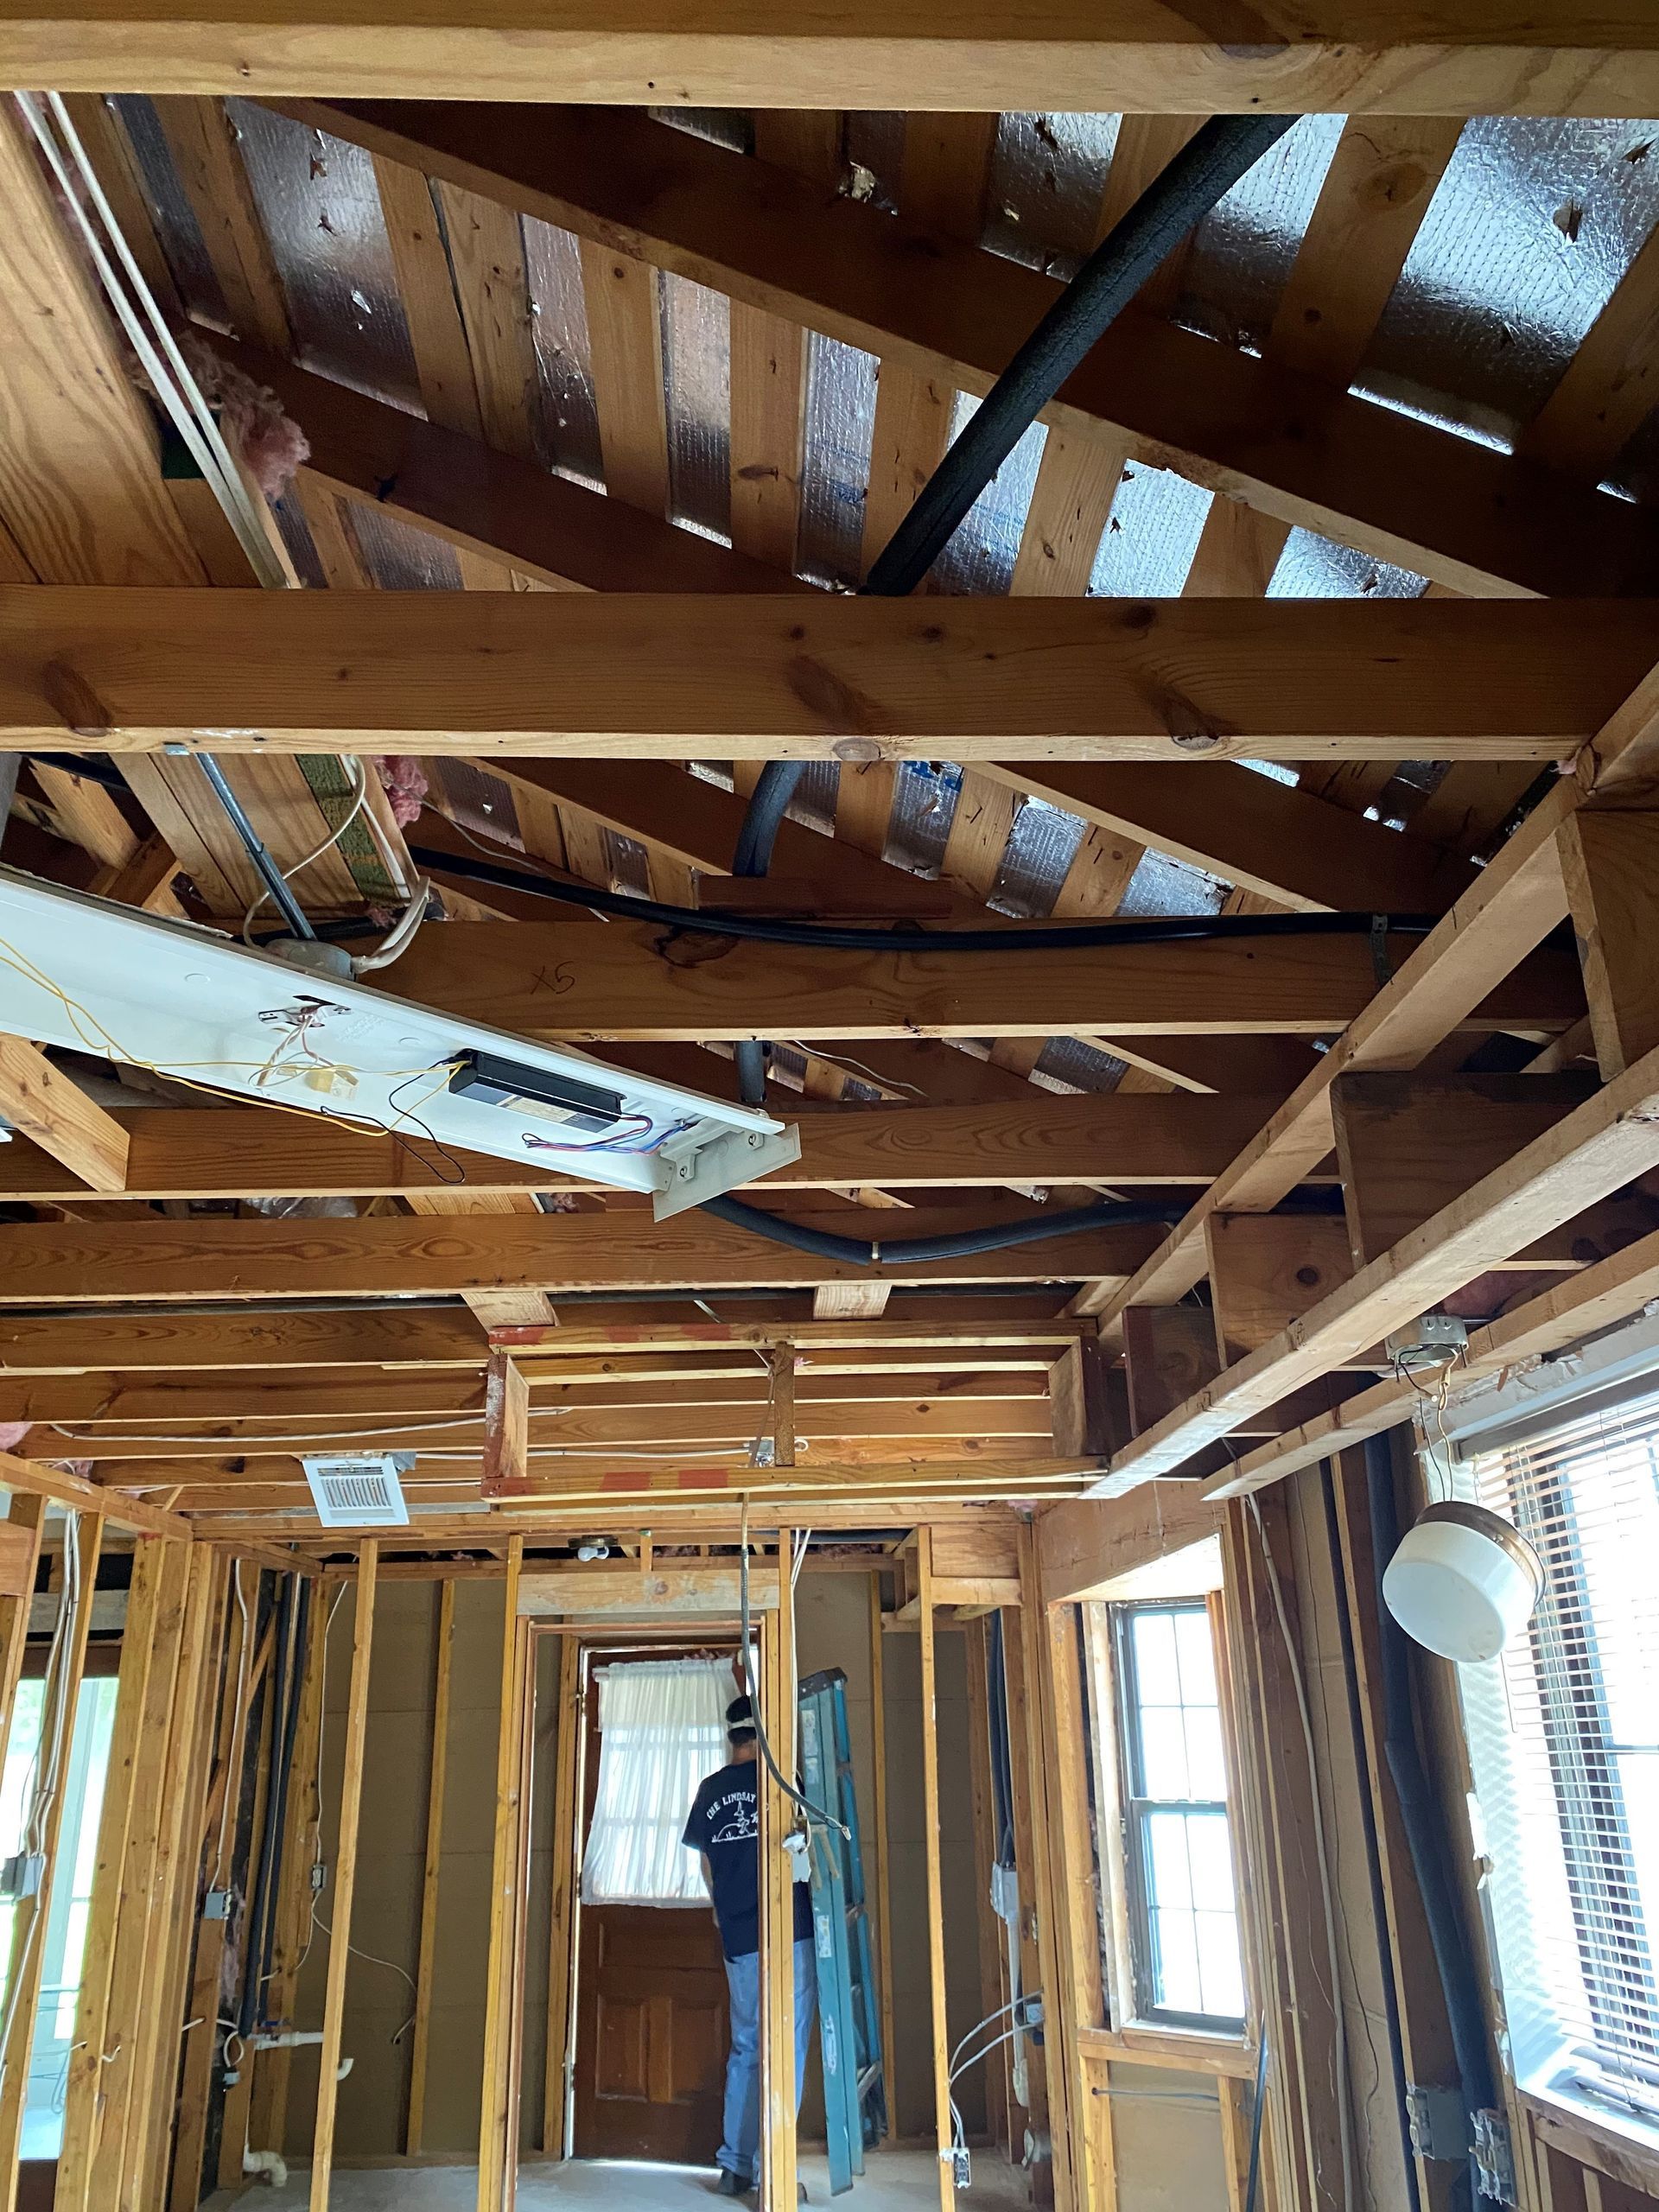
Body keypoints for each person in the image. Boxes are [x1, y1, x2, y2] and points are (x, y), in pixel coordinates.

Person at [682, 1693, 817, 2198]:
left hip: (739, 1935)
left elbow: (706, 1861)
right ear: (764, 1734)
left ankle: (736, 2166)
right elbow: (810, 1847)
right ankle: (773, 2174)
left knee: (747, 2046)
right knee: (786, 2046)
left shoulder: (710, 1790)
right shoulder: (784, 1785)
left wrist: (720, 1909)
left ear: (730, 1735)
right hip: (790, 1932)